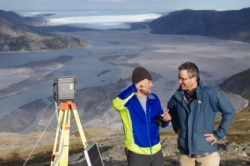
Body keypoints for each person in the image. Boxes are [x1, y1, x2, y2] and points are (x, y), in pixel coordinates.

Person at [167, 62, 235, 166]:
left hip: (208, 156)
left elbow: (229, 111)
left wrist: (218, 134)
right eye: (179, 78)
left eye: (183, 79)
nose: (179, 81)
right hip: (185, 156)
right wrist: (177, 127)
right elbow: (171, 109)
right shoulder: (177, 96)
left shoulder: (210, 94)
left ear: (194, 78)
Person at [112, 66, 171, 166]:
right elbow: (116, 103)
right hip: (137, 153)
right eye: (148, 82)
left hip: (156, 151)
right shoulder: (128, 103)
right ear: (140, 84)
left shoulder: (154, 98)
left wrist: (165, 120)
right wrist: (134, 87)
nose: (152, 85)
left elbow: (160, 123)